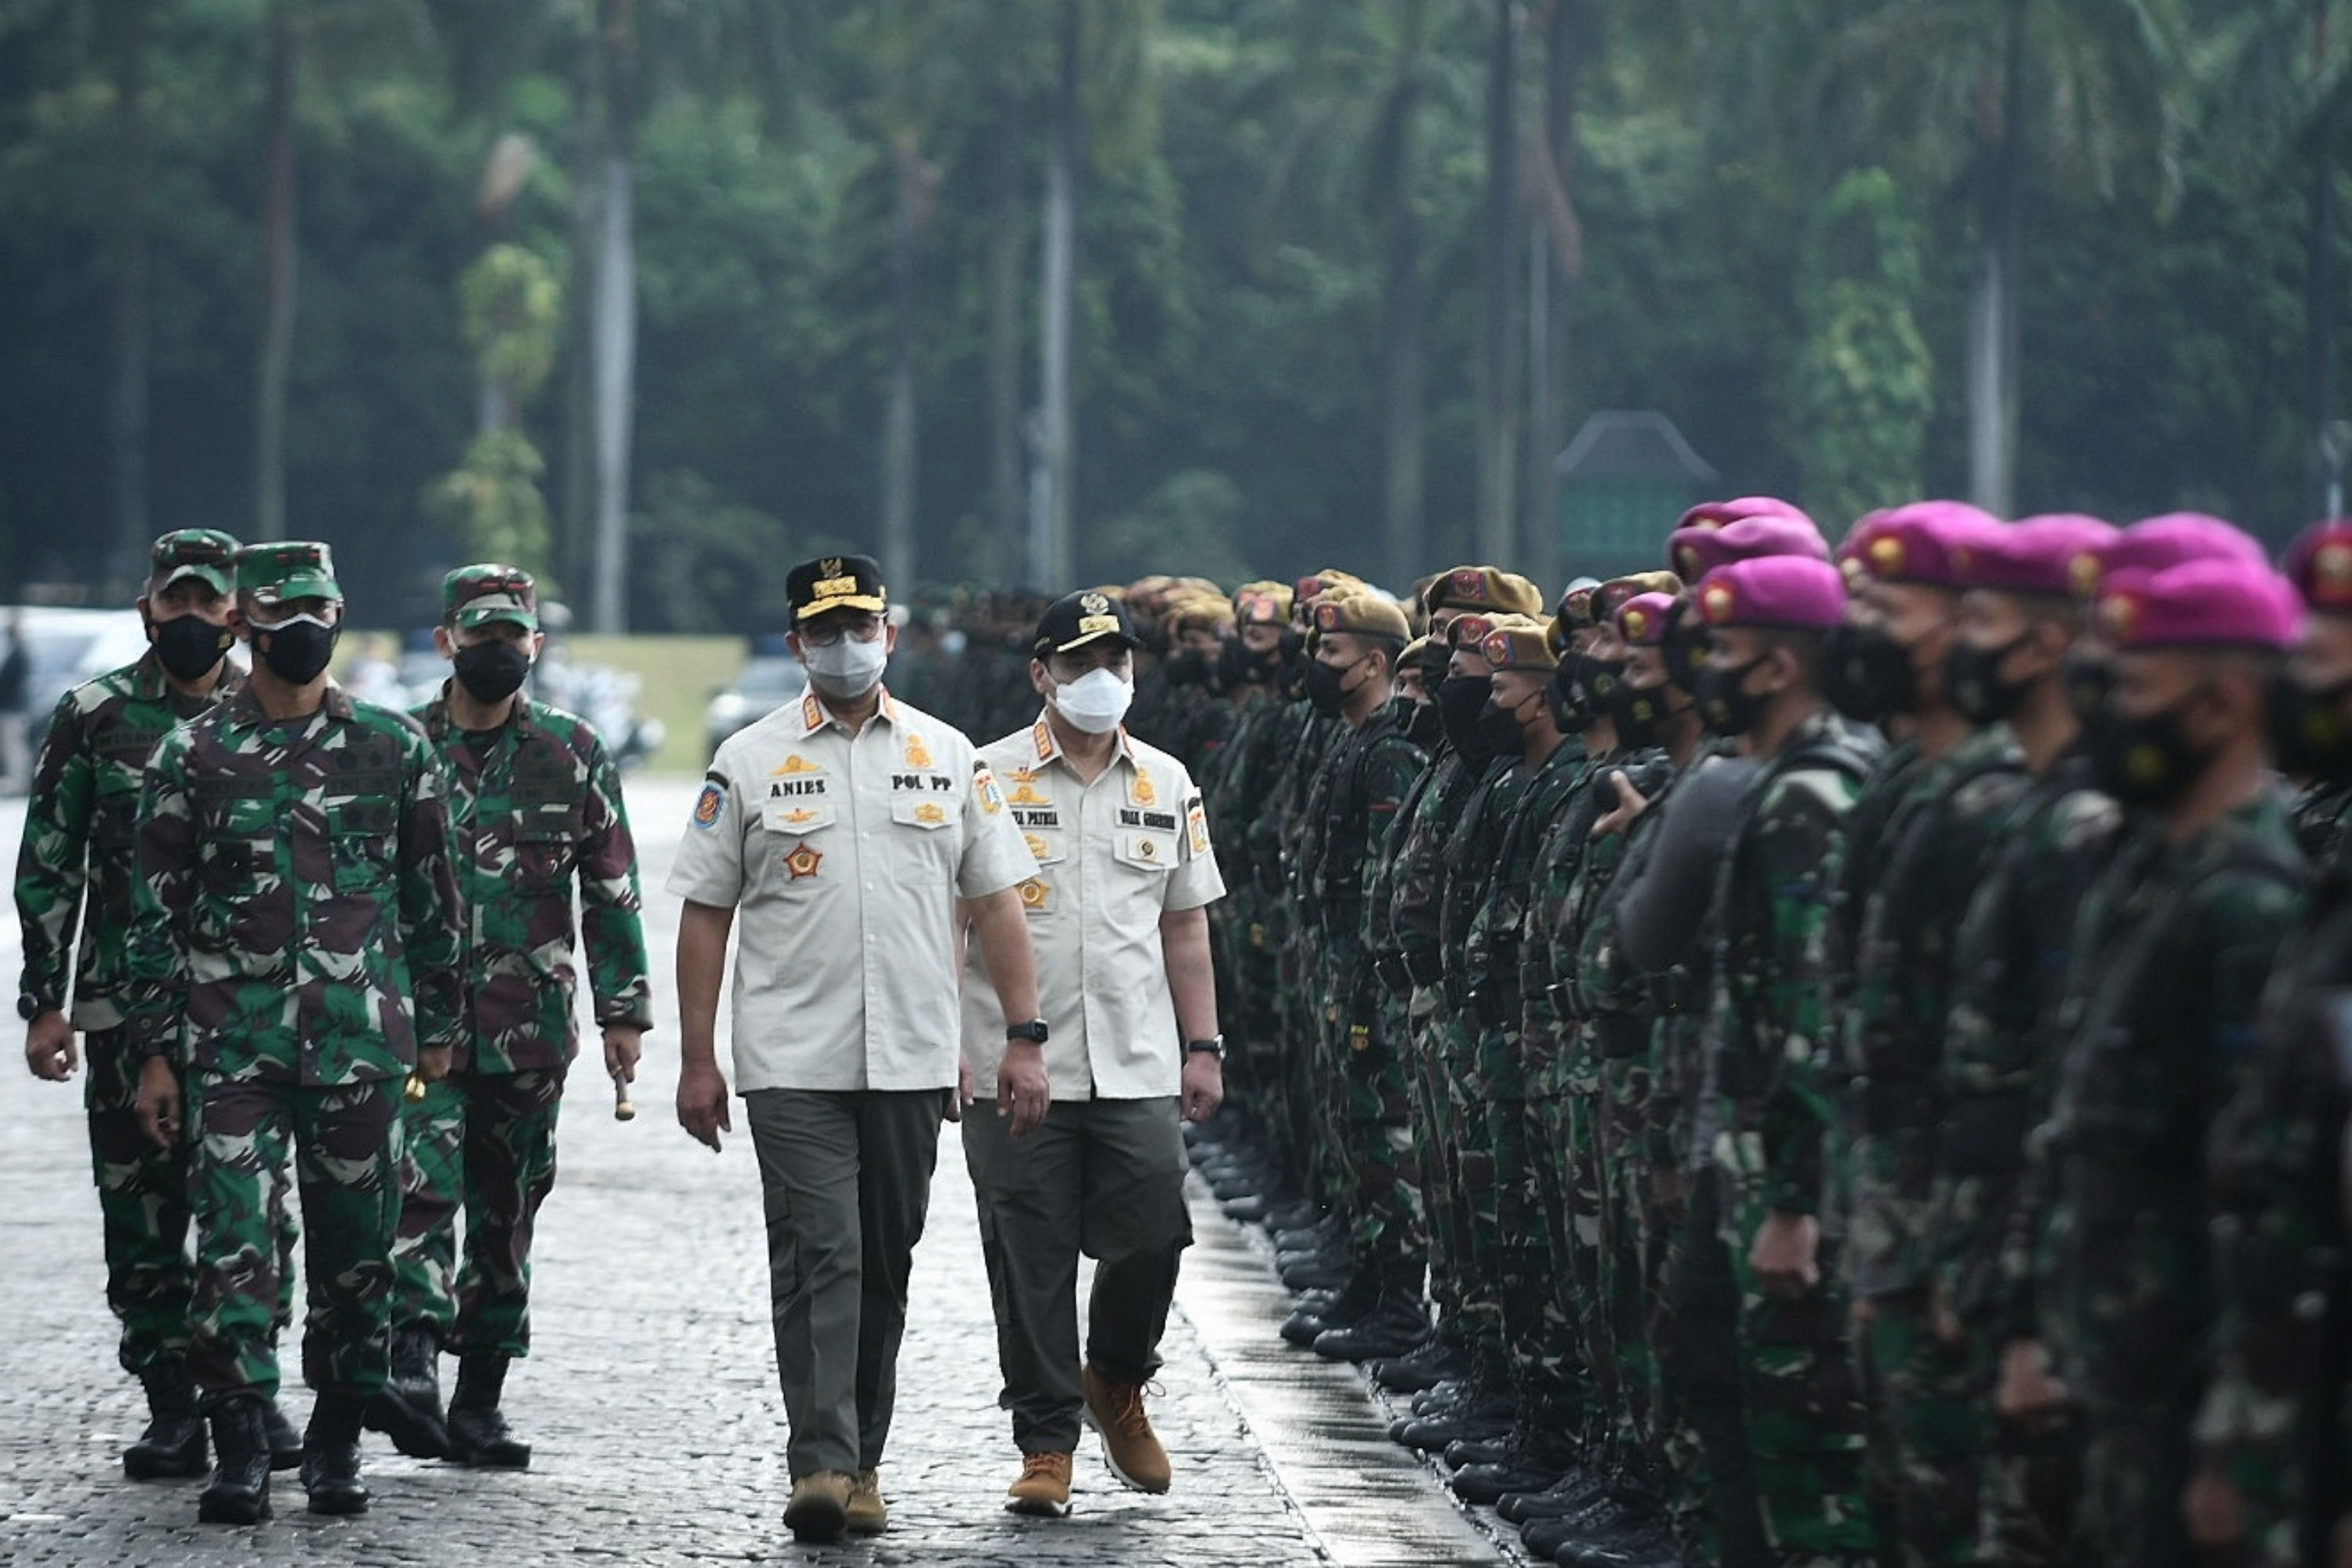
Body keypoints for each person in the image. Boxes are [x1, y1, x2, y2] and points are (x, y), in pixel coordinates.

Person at [669, 552, 1044, 1544]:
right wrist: (698, 1058)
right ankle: (821, 1461)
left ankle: (864, 1458)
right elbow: (706, 912)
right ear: (796, 643)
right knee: (820, 1251)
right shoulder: (747, 760)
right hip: (792, 1058)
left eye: (861, 626)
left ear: (891, 632)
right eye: (825, 631)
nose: (846, 645)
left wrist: (1022, 1037)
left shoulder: (948, 754)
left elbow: (997, 901)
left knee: (884, 1260)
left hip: (915, 1060)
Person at [123, 539, 466, 1523]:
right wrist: (154, 1050)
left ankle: (334, 1445)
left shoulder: (395, 748)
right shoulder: (195, 754)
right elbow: (157, 912)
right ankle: (238, 1440)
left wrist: (437, 1032)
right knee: (235, 1243)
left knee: (359, 1254)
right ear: (245, 626)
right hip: (231, 1045)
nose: (303, 631)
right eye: (281, 616)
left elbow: (433, 900)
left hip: (364, 1045)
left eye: (318, 610)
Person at [2027, 551, 2306, 1565]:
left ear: (2224, 701)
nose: (2108, 713)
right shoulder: (2148, 869)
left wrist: (2234, 1439)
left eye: (2136, 689)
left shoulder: (2253, 905)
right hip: (2118, 1361)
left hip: (2195, 1385)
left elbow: (2259, 1197)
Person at [15, 528, 308, 1480]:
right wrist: (43, 1000)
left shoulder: (269, 711)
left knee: (255, 1206)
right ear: (148, 607)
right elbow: (49, 863)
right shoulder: (94, 715)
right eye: (172, 601)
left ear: (236, 612)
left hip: (246, 1005)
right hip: (119, 1006)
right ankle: (173, 1402)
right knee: (140, 1208)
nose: (189, 617)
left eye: (206, 602)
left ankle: (249, 1391)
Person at [373, 564, 653, 1467]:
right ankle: (410, 1362)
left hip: (530, 1026)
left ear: (535, 643)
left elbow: (611, 888)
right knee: (419, 1188)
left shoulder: (571, 750)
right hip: (421, 1024)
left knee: (508, 1210)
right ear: (445, 639)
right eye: (479, 633)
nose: (496, 649)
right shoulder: (399, 744)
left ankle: (480, 1397)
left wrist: (624, 1014)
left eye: (512, 635)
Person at [961, 589, 1227, 1516]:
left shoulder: (1166, 779)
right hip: (1012, 1063)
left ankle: (1115, 1374)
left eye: (1117, 663)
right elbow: (951, 924)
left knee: (1155, 1225)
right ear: (1041, 674)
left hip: (1136, 1057)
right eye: (1080, 666)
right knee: (1028, 1256)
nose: (1103, 681)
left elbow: (1185, 924)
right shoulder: (985, 777)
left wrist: (1203, 1045)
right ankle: (1045, 1441)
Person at [1692, 553, 1884, 1566]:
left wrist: (1794, 1198)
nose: (1703, 670)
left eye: (1722, 651)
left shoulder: (1811, 793)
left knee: (1802, 1457)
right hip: (1763, 1165)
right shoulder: (1788, 782)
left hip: (1790, 1180)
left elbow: (1811, 1011)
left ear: (1774, 669)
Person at [0, 612, 31, 793]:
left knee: (15, 746)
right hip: (12, 707)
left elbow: (12, 682)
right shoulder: (14, 653)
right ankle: (16, 780)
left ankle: (20, 781)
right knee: (11, 745)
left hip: (13, 707)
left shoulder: (20, 654)